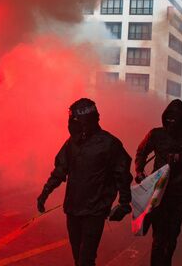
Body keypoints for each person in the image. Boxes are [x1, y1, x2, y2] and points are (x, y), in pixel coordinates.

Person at [37, 98, 132, 266]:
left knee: (86, 260)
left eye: (76, 121)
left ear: (87, 120)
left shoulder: (109, 144)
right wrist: (45, 192)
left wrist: (125, 203)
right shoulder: (72, 143)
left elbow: (122, 174)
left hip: (95, 212)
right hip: (73, 210)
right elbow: (60, 170)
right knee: (77, 258)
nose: (73, 124)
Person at [135, 99, 182, 266]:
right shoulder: (156, 134)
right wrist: (139, 171)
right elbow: (141, 152)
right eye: (169, 118)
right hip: (158, 192)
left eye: (175, 118)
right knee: (159, 238)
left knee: (172, 236)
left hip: (179, 194)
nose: (171, 122)